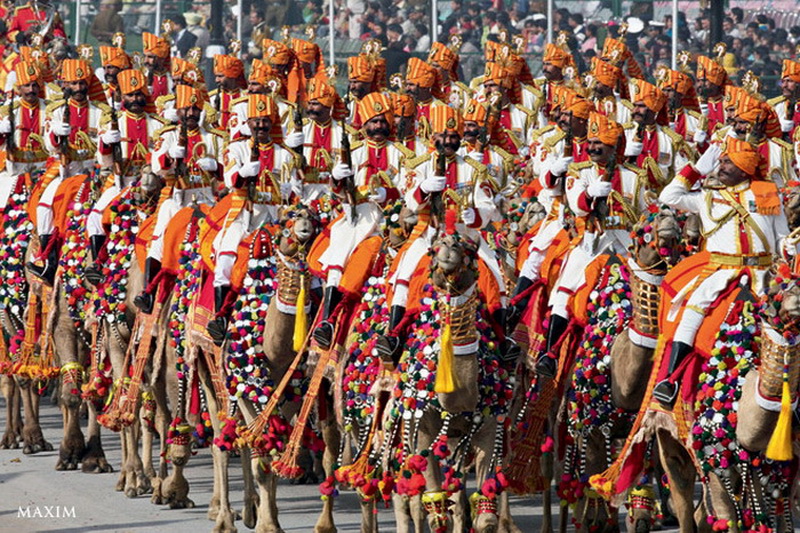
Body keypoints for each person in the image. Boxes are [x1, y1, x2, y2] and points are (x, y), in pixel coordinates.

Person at [652, 140, 793, 406]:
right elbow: (668, 197)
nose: (721, 166)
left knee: (787, 320)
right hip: (720, 270)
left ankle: (789, 393)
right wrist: (694, 170)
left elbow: (780, 237)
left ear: (744, 169)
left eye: (728, 162)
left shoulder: (765, 192)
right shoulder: (708, 195)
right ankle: (669, 380)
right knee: (693, 310)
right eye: (722, 161)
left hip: (762, 272)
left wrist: (790, 246)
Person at [206, 94, 301, 343]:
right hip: (242, 215)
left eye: (265, 121)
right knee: (226, 255)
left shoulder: (286, 155)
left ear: (272, 123)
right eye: (256, 121)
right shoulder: (235, 148)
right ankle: (221, 317)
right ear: (248, 123)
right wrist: (244, 173)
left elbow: (292, 193)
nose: (260, 126)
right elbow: (229, 180)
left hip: (275, 220)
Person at [134, 85, 223, 314]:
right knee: (161, 233)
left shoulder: (214, 137)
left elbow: (228, 174)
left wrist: (215, 166)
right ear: (179, 110)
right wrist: (174, 153)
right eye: (187, 109)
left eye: (196, 109)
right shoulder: (167, 135)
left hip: (207, 198)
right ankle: (148, 291)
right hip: (177, 197)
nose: (192, 113)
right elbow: (157, 166)